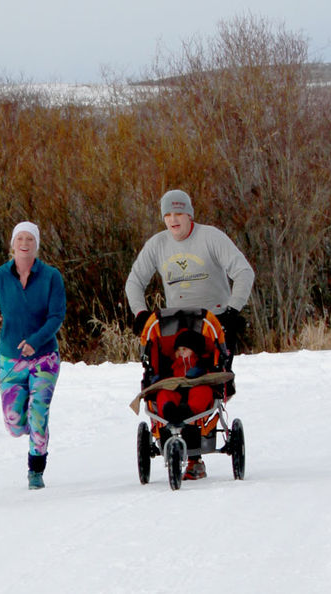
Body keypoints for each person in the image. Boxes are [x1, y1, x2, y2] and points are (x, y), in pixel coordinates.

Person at [0, 221, 66, 490]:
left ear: (36, 245)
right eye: (20, 239)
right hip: (11, 360)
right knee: (14, 422)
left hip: (45, 359)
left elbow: (56, 316)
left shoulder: (51, 277)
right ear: (12, 244)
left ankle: (35, 469)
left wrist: (36, 342)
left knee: (38, 415)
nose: (24, 243)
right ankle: (33, 431)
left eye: (30, 239)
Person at [125, 189, 254, 364]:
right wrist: (141, 314)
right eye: (168, 215)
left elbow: (244, 272)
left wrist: (232, 311)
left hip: (214, 322)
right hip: (176, 325)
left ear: (189, 215)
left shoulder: (211, 237)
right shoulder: (157, 244)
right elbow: (134, 281)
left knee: (217, 382)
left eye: (178, 213)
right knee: (175, 380)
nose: (173, 219)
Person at [155, 329, 215, 480]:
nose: (181, 353)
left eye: (185, 350)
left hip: (196, 387)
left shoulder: (202, 362)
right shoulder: (172, 365)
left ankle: (189, 410)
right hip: (176, 389)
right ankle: (168, 409)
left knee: (203, 392)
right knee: (164, 393)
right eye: (178, 350)